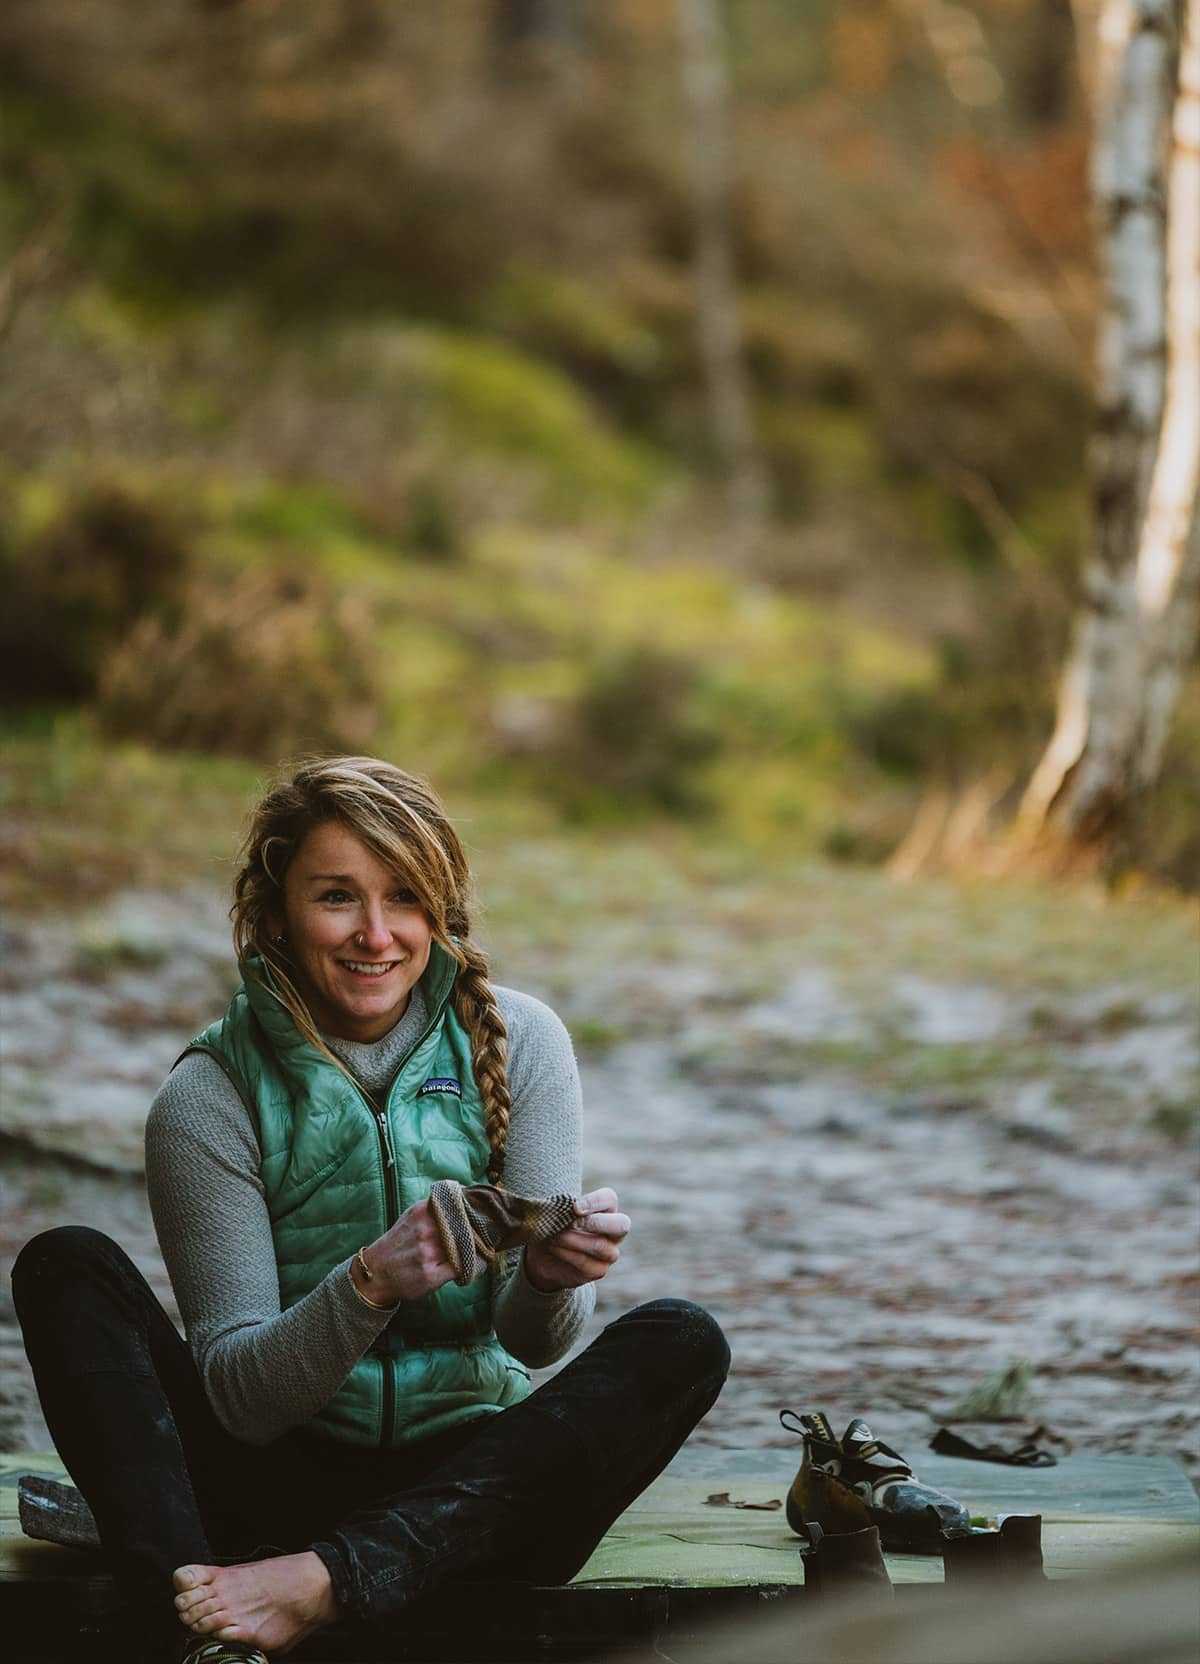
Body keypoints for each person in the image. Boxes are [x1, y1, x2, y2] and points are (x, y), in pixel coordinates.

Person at [13, 757, 730, 1664]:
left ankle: (321, 1584)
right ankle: (203, 1639)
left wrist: (548, 1280)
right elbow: (235, 1399)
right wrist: (367, 1285)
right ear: (275, 912)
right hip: (269, 1484)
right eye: (337, 897)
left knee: (683, 1340)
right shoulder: (211, 1095)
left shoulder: (523, 1042)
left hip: (473, 1494)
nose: (377, 935)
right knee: (65, 1264)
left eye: (404, 896)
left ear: (441, 909)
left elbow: (536, 1347)